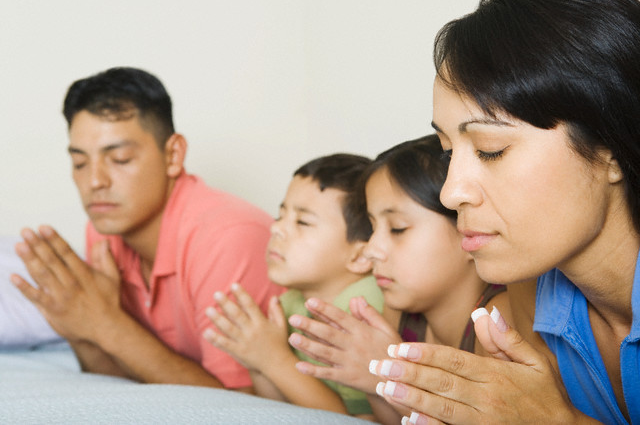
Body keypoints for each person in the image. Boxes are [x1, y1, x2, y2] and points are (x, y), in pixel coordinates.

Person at [369, 0, 640, 424]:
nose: (451, 193)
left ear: (610, 150)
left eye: (490, 150)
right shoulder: (531, 291)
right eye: (447, 154)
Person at [10, 67, 283, 391]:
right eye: (80, 163)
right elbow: (123, 378)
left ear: (173, 155)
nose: (95, 181)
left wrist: (105, 323)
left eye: (120, 159)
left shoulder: (227, 239)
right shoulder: (103, 231)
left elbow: (244, 407)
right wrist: (78, 329)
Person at [287, 136, 511, 425]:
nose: (371, 249)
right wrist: (377, 383)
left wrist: (391, 375)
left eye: (397, 228)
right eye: (371, 228)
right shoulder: (398, 310)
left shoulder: (497, 323)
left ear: (469, 230)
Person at [203, 153, 387, 420]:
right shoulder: (291, 301)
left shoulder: (362, 307)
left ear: (359, 257)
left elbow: (356, 420)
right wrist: (255, 360)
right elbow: (281, 408)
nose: (276, 228)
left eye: (302, 222)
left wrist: (273, 360)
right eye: (280, 215)